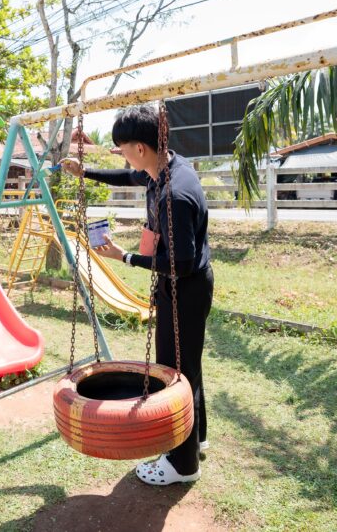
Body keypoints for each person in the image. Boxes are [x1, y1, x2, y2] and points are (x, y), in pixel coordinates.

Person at [61, 104, 213, 486]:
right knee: (187, 368)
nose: (122, 155)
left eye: (123, 148)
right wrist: (86, 171)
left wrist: (125, 256)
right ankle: (196, 439)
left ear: (141, 148)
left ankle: (182, 465)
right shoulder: (165, 168)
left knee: (174, 374)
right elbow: (127, 176)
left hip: (185, 289)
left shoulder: (174, 194)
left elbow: (181, 263)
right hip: (185, 286)